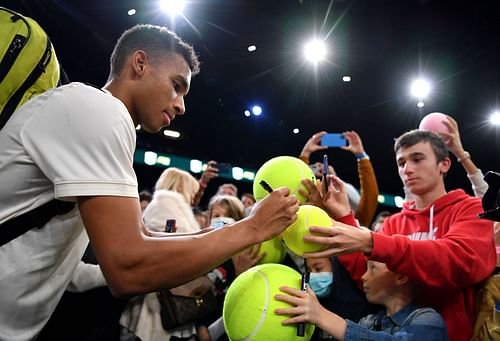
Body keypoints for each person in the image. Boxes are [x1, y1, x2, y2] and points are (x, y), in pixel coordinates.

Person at [0, 24, 299, 341]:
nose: (182, 105)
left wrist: (223, 230)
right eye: (177, 85)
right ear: (139, 64)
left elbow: (142, 238)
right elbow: (128, 268)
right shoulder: (99, 110)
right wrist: (251, 229)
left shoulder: (98, 117)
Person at [301, 130, 495, 341]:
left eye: (417, 159)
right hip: (393, 331)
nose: (408, 169)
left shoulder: (470, 208)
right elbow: (368, 276)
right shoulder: (394, 222)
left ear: (444, 165)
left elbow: (462, 261)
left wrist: (371, 241)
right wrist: (344, 218)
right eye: (401, 163)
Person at [275, 260, 448, 340]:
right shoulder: (368, 321)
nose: (364, 276)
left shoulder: (428, 319)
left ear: (401, 276)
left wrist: (321, 315)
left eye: (372, 268)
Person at [300, 130, 379, 226]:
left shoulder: (355, 228)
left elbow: (371, 196)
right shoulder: (304, 215)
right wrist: (305, 153)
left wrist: (361, 156)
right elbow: (299, 184)